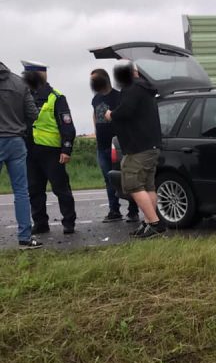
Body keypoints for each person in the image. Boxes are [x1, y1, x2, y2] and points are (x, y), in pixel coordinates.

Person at [105, 60, 165, 239]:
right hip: (150, 145)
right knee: (147, 185)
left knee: (132, 183)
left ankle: (154, 223)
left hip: (139, 147)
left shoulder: (132, 88)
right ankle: (148, 222)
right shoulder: (144, 89)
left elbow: (126, 111)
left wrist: (111, 115)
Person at [22, 60, 77, 235]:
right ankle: (40, 223)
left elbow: (67, 125)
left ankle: (69, 222)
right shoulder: (23, 95)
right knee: (34, 189)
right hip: (29, 151)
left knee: (61, 188)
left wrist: (66, 149)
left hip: (52, 152)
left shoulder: (55, 96)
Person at [0, 61, 43, 249]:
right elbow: (33, 115)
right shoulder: (19, 83)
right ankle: (25, 237)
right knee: (21, 191)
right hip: (16, 141)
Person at [90, 68, 139, 223]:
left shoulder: (119, 96)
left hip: (118, 146)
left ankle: (133, 210)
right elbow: (94, 115)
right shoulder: (95, 99)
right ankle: (114, 210)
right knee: (108, 179)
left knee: (126, 178)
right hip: (102, 145)